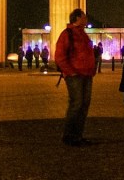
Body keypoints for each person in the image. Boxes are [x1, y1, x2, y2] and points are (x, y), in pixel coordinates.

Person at [55, 8, 96, 146]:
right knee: (76, 104)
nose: (86, 19)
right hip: (75, 75)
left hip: (87, 74)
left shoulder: (83, 34)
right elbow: (60, 56)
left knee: (84, 105)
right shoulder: (67, 34)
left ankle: (78, 135)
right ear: (77, 18)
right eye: (84, 17)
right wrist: (70, 72)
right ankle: (69, 136)